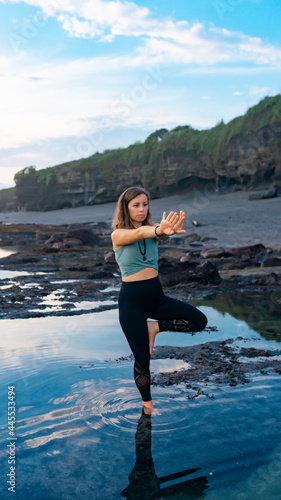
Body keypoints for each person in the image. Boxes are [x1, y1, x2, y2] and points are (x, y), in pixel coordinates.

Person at [111, 186, 207, 413]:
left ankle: (155, 326)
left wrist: (166, 230)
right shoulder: (118, 234)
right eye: (136, 205)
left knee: (199, 321)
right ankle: (147, 405)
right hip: (132, 303)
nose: (141, 209)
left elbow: (157, 232)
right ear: (125, 208)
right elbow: (140, 234)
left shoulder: (153, 230)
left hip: (157, 298)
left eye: (145, 204)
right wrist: (158, 230)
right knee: (142, 359)